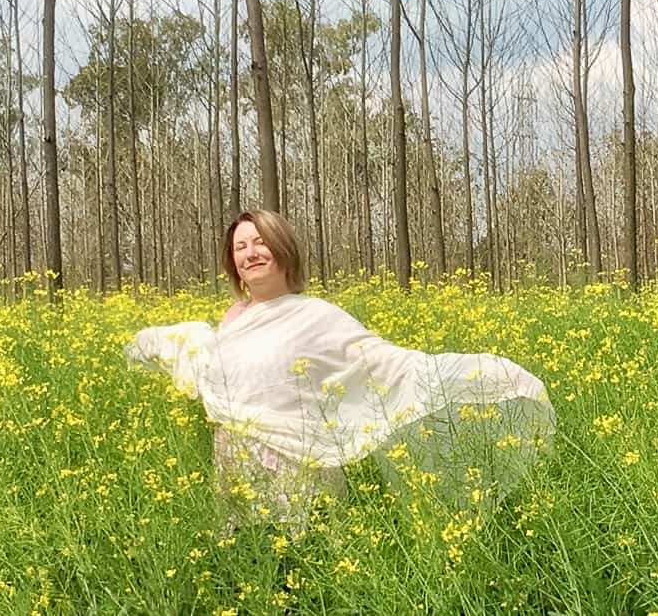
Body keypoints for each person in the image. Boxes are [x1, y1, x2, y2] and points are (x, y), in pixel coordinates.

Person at [126, 209, 555, 531]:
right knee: (248, 566)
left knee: (301, 573)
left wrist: (482, 374)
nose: (250, 254)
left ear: (283, 250)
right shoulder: (231, 318)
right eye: (240, 247)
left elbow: (384, 364)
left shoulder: (316, 315)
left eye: (259, 242)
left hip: (299, 468)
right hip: (236, 469)